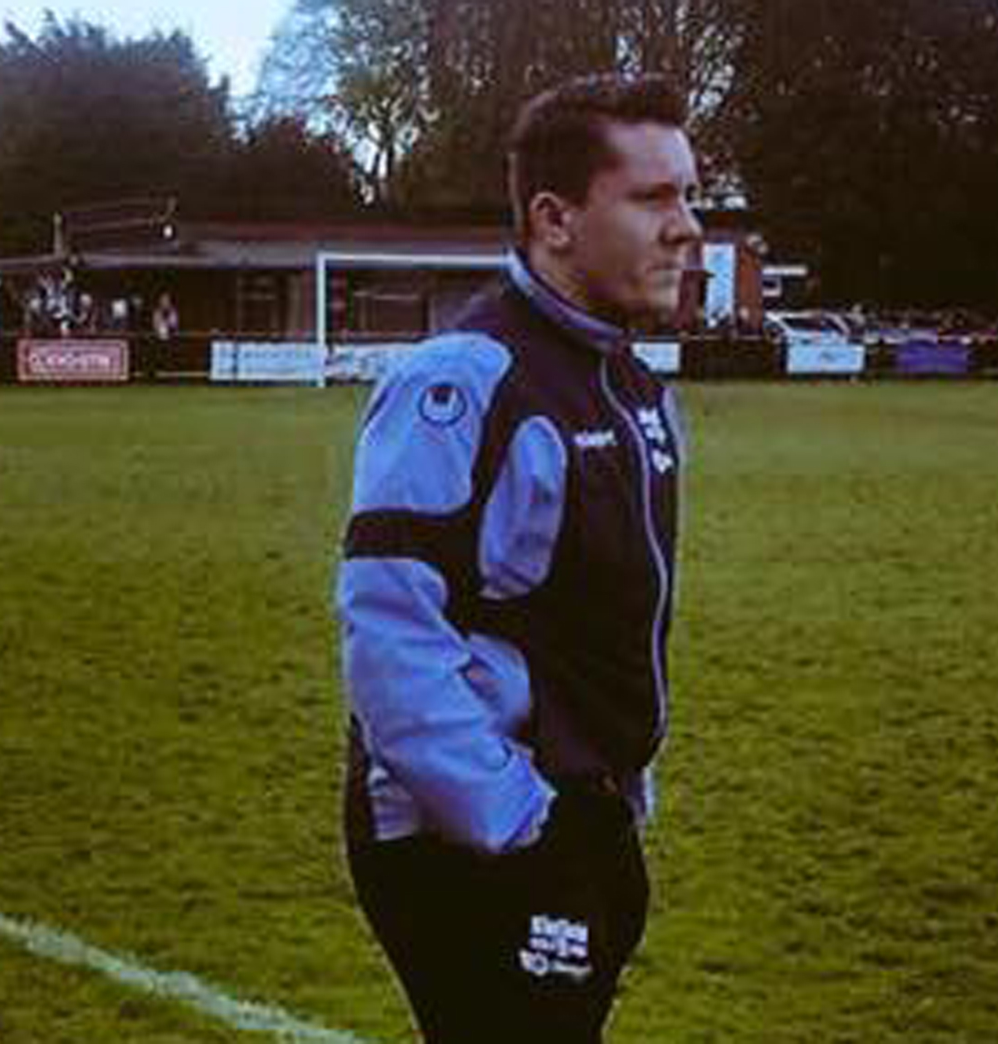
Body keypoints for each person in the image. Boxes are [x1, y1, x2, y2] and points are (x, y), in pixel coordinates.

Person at [335, 73, 701, 1043]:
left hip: (582, 819)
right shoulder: (461, 380)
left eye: (689, 195)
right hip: (475, 836)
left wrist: (612, 799)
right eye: (655, 197)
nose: (688, 227)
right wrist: (519, 821)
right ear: (555, 217)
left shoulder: (634, 389)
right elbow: (389, 634)